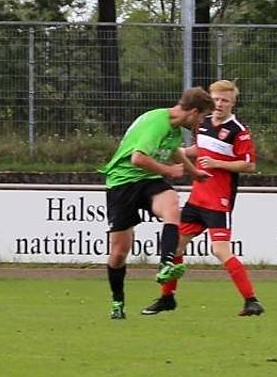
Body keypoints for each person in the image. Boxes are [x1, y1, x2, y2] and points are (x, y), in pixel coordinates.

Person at [142, 80, 264, 317]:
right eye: (216, 99)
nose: (219, 104)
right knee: (176, 245)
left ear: (233, 103)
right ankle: (167, 298)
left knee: (220, 250)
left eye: (224, 100)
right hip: (197, 199)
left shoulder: (238, 131)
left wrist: (218, 163)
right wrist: (179, 154)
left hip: (219, 201)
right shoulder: (204, 123)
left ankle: (252, 301)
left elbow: (249, 165)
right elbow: (201, 149)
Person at [99, 88, 214, 320]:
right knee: (119, 252)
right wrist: (168, 171)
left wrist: (193, 173)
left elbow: (174, 152)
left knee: (171, 205)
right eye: (201, 117)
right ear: (193, 112)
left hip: (149, 179)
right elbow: (138, 158)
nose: (200, 123)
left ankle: (166, 264)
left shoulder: (174, 129)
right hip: (122, 182)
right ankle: (117, 301)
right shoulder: (157, 122)